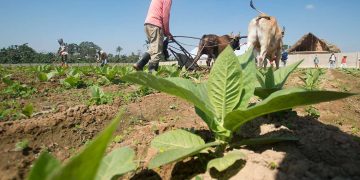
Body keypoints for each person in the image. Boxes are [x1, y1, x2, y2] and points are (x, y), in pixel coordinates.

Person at [133, 0, 173, 73]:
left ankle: (140, 64)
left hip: (147, 24)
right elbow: (165, 16)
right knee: (157, 51)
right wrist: (167, 32)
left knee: (153, 48)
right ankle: (152, 72)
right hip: (156, 25)